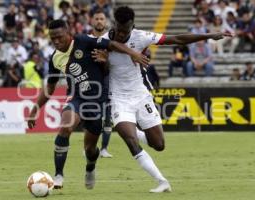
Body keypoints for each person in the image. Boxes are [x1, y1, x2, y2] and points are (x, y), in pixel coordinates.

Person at [95, 6, 231, 193]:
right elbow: (101, 72)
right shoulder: (102, 42)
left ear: (132, 26)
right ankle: (162, 181)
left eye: (125, 30)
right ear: (114, 24)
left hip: (141, 95)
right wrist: (104, 63)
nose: (120, 33)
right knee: (130, 141)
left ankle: (134, 131)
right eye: (118, 29)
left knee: (158, 145)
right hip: (119, 98)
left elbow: (177, 39)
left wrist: (208, 36)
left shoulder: (141, 37)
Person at [27, 19, 148, 190]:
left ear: (68, 33)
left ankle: (90, 168)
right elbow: (50, 87)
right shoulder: (55, 58)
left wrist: (132, 53)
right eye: (52, 38)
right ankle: (58, 175)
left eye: (59, 37)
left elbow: (112, 44)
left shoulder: (84, 41)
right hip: (75, 98)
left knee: (90, 149)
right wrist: (34, 110)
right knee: (66, 127)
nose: (56, 41)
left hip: (96, 102)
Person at [90, 10, 113, 158]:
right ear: (92, 21)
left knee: (107, 117)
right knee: (92, 117)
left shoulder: (111, 40)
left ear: (106, 22)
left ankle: (104, 148)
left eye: (102, 19)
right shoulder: (86, 40)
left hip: (108, 82)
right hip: (92, 82)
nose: (99, 21)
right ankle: (89, 146)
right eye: (97, 19)